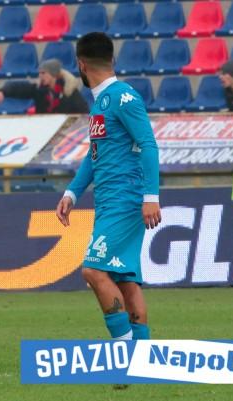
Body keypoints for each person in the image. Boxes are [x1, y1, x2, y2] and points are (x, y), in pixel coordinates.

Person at [55, 33, 161, 344]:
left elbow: (149, 144)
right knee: (125, 281)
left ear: (80, 64)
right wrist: (72, 193)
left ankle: (122, 347)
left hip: (125, 200)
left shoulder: (123, 97)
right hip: (109, 201)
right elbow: (95, 154)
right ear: (111, 59)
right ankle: (140, 352)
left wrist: (150, 197)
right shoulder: (102, 101)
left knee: (93, 271)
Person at [0, 58, 89, 114]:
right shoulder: (39, 90)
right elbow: (19, 88)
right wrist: (3, 91)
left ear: (53, 74)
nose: (40, 76)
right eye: (39, 73)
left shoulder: (69, 91)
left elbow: (83, 112)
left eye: (43, 73)